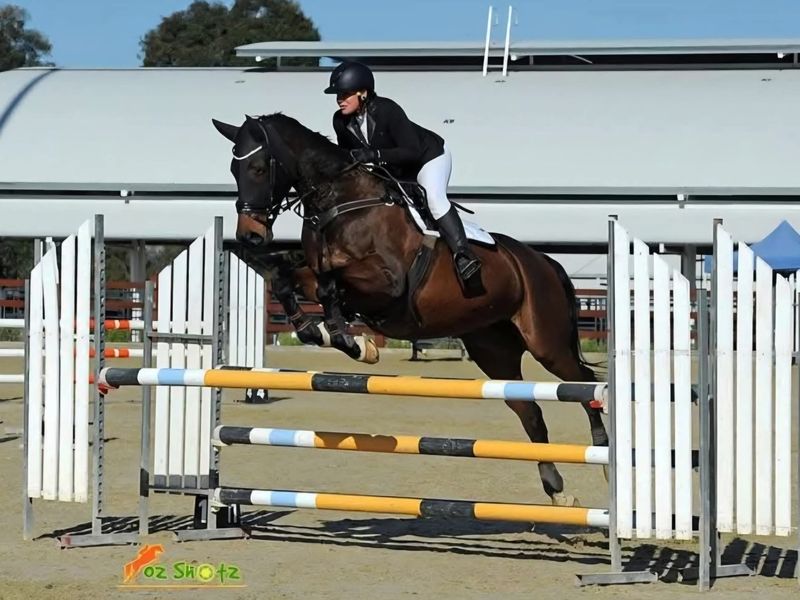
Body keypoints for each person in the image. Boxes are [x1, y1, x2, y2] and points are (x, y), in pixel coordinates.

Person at [324, 60, 481, 285]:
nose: (340, 99)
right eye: (338, 95)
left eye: (345, 94)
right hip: (395, 167)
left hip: (427, 157)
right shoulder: (340, 121)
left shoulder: (387, 110)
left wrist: (374, 155)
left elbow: (411, 151)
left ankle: (464, 255)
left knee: (434, 199)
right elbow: (349, 157)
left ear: (363, 93)